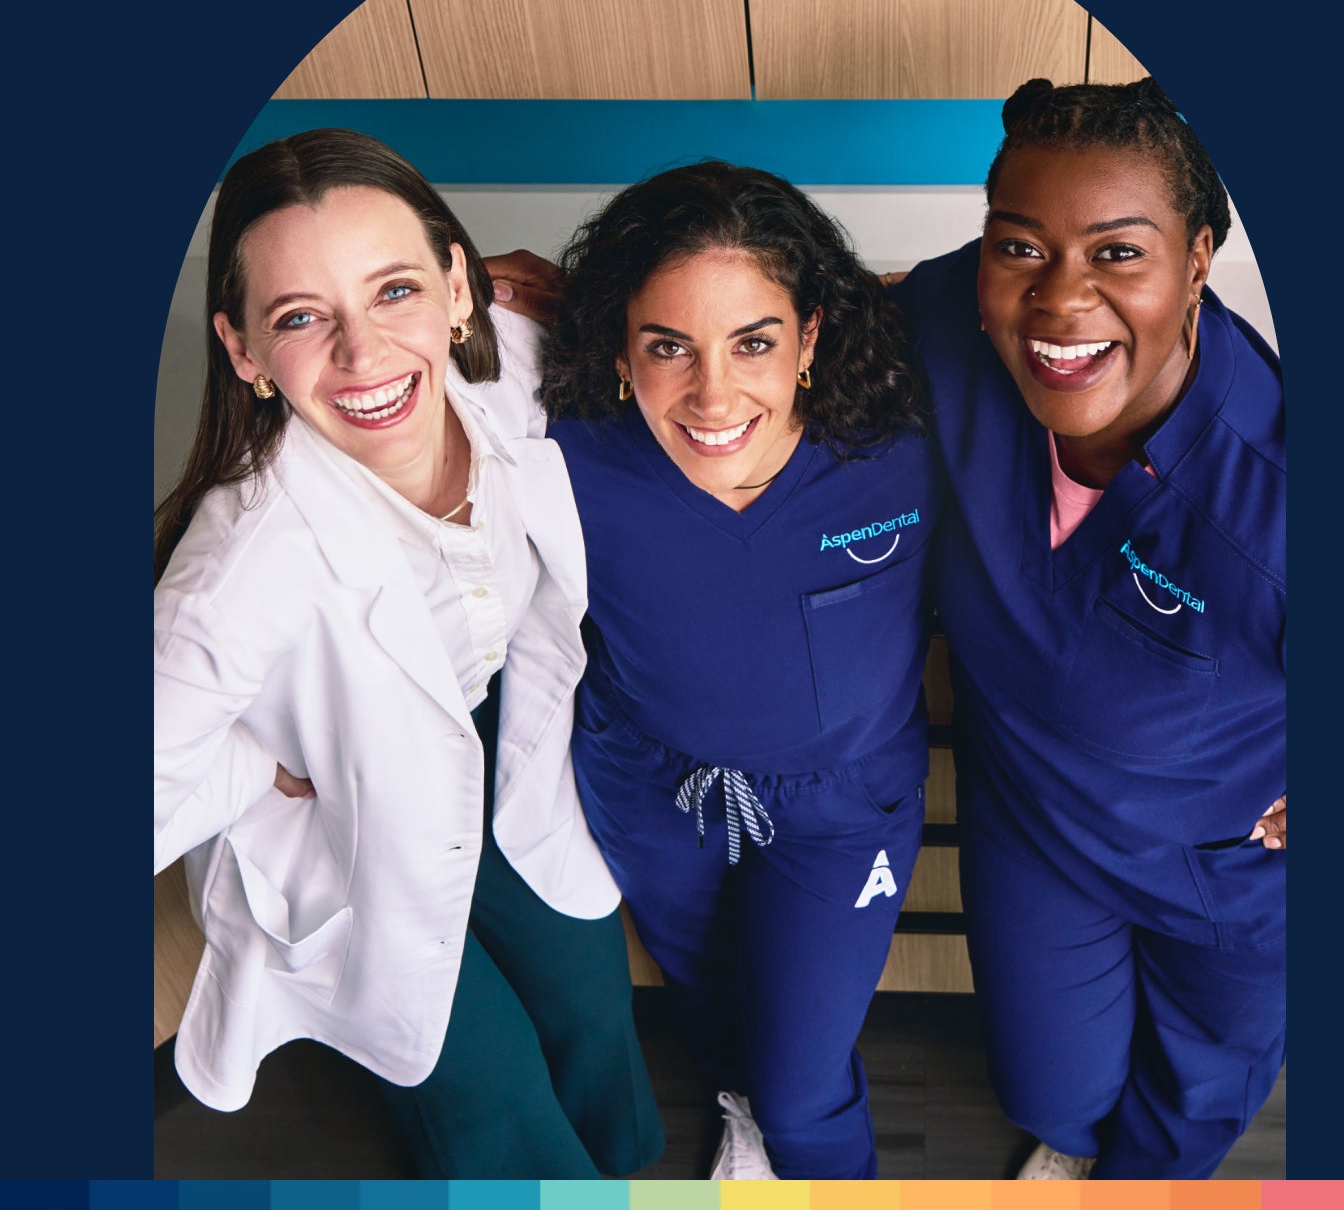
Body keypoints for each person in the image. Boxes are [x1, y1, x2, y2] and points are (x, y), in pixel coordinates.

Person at [153, 128, 663, 1179]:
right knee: (486, 1084)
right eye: (300, 317)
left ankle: (624, 1174)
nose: (365, 352)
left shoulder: (514, 365)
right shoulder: (235, 571)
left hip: (496, 732)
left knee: (589, 996)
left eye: (395, 291)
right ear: (243, 351)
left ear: (458, 289)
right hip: (332, 802)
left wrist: (560, 284)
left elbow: (689, 336)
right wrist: (253, 766)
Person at [891, 77, 1286, 1180]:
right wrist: (505, 298)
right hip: (1032, 819)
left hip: (1218, 866)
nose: (1060, 299)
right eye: (1020, 247)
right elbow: (768, 317)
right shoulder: (950, 323)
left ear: (1197, 259)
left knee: (1198, 1095)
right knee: (1050, 1093)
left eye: (1118, 253)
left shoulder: (1276, 499)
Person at [538, 162, 943, 1180]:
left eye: (753, 342)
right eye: (668, 346)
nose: (713, 395)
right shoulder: (564, 454)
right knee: (717, 1010)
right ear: (620, 349)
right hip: (650, 788)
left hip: (844, 807)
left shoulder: (902, 441)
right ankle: (743, 1109)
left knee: (805, 1083)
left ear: (809, 337)